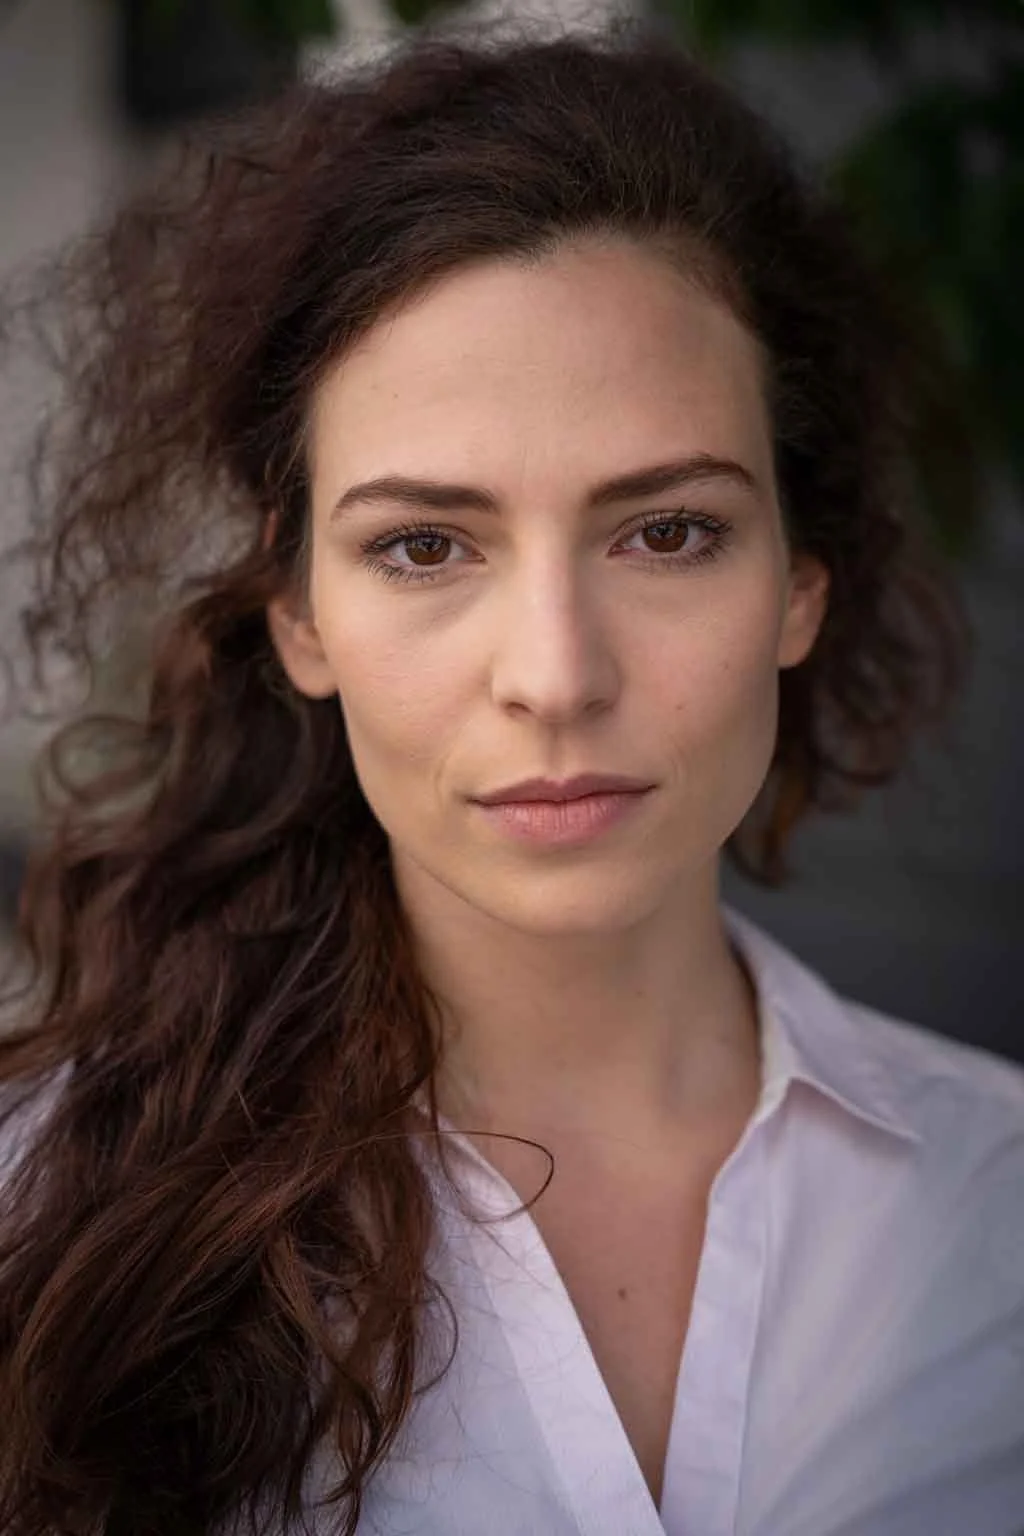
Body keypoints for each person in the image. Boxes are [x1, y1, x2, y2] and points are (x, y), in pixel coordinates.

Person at [0, 17, 1021, 1536]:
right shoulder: (42, 1221)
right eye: (424, 545)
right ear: (300, 618)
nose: (553, 673)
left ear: (802, 582)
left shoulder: (1000, 1204)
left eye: (666, 531)